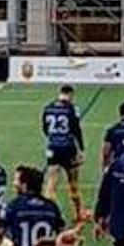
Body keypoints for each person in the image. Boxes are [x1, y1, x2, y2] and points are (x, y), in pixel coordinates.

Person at [2, 165, 65, 246]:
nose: (14, 184)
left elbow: (4, 233)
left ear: (24, 185)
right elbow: (60, 231)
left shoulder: (15, 206)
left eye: (17, 180)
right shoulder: (51, 206)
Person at [42, 84, 86, 218]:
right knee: (73, 182)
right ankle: (78, 213)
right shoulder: (72, 108)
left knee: (51, 183)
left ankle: (49, 213)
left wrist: (53, 139)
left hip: (53, 148)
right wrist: (81, 149)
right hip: (68, 148)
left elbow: (45, 128)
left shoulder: (48, 108)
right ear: (71, 94)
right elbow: (76, 129)